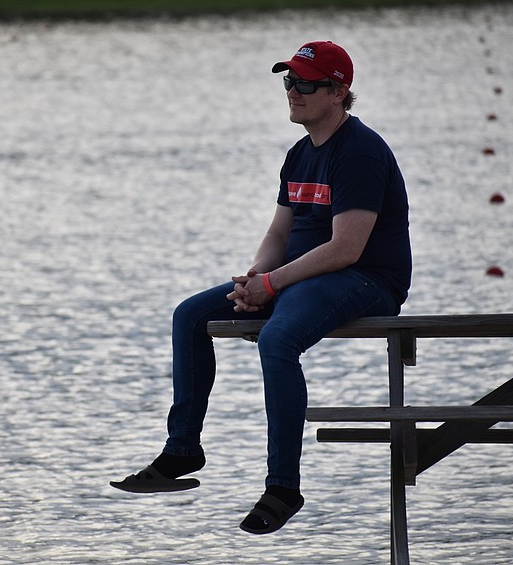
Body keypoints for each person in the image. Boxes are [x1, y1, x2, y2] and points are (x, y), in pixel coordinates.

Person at [110, 40, 412, 535]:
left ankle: (283, 487)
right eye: (288, 80)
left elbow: (347, 248)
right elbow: (279, 234)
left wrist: (273, 283)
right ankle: (182, 450)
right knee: (190, 316)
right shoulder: (299, 154)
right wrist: (255, 279)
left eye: (306, 83)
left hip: (367, 280)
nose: (293, 91)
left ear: (339, 92)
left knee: (277, 339)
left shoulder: (360, 151)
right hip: (304, 276)